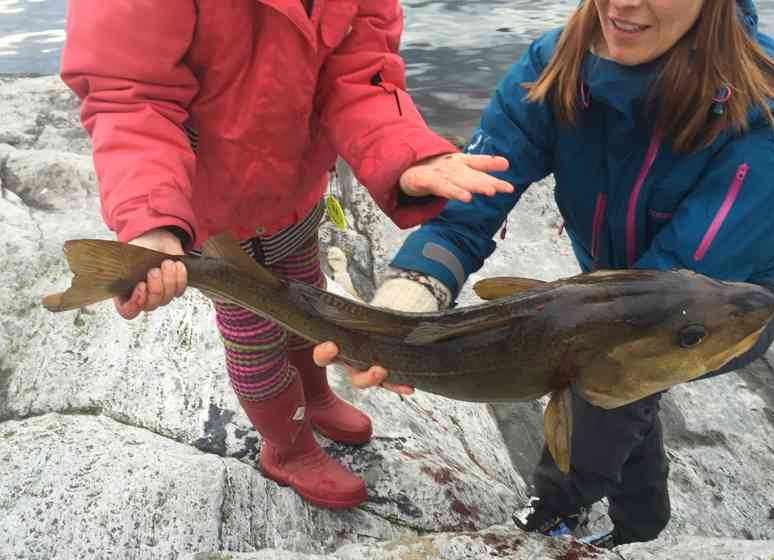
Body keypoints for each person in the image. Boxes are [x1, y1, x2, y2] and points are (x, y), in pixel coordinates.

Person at [313, 0, 774, 547]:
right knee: (623, 393)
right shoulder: (555, 62)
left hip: (729, 301)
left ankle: (557, 509)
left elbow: (679, 281)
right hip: (611, 297)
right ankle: (645, 522)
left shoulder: (773, 104)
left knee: (605, 394)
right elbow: (468, 210)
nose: (624, 3)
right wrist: (410, 296)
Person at [58, 0, 515, 510]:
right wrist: (151, 221)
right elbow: (129, 97)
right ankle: (288, 447)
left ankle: (315, 398)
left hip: (294, 199)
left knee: (310, 301)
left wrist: (409, 150)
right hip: (213, 218)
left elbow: (360, 74)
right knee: (254, 340)